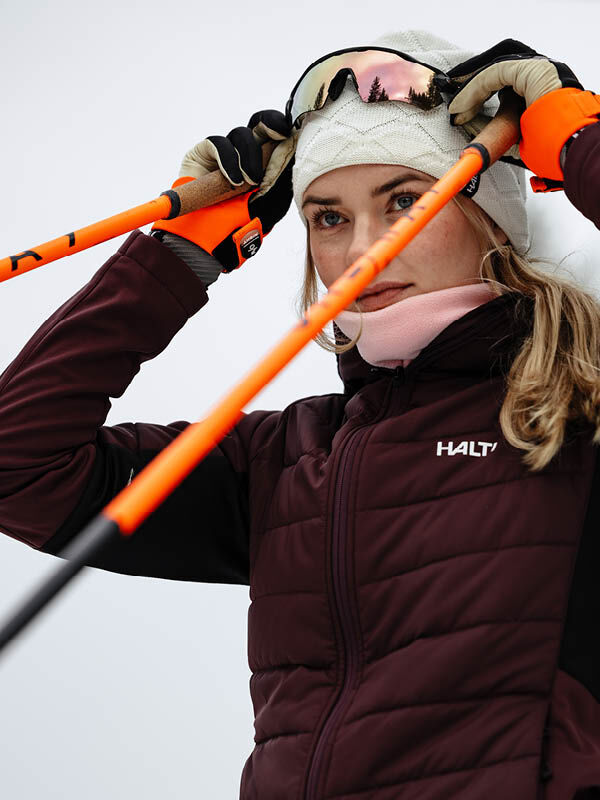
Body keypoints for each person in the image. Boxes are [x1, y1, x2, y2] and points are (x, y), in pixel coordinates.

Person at [0, 29, 599, 800]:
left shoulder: (579, 415)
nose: (362, 248)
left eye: (408, 201)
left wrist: (578, 140)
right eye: (326, 216)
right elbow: (20, 466)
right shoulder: (288, 458)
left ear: (490, 219)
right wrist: (180, 254)